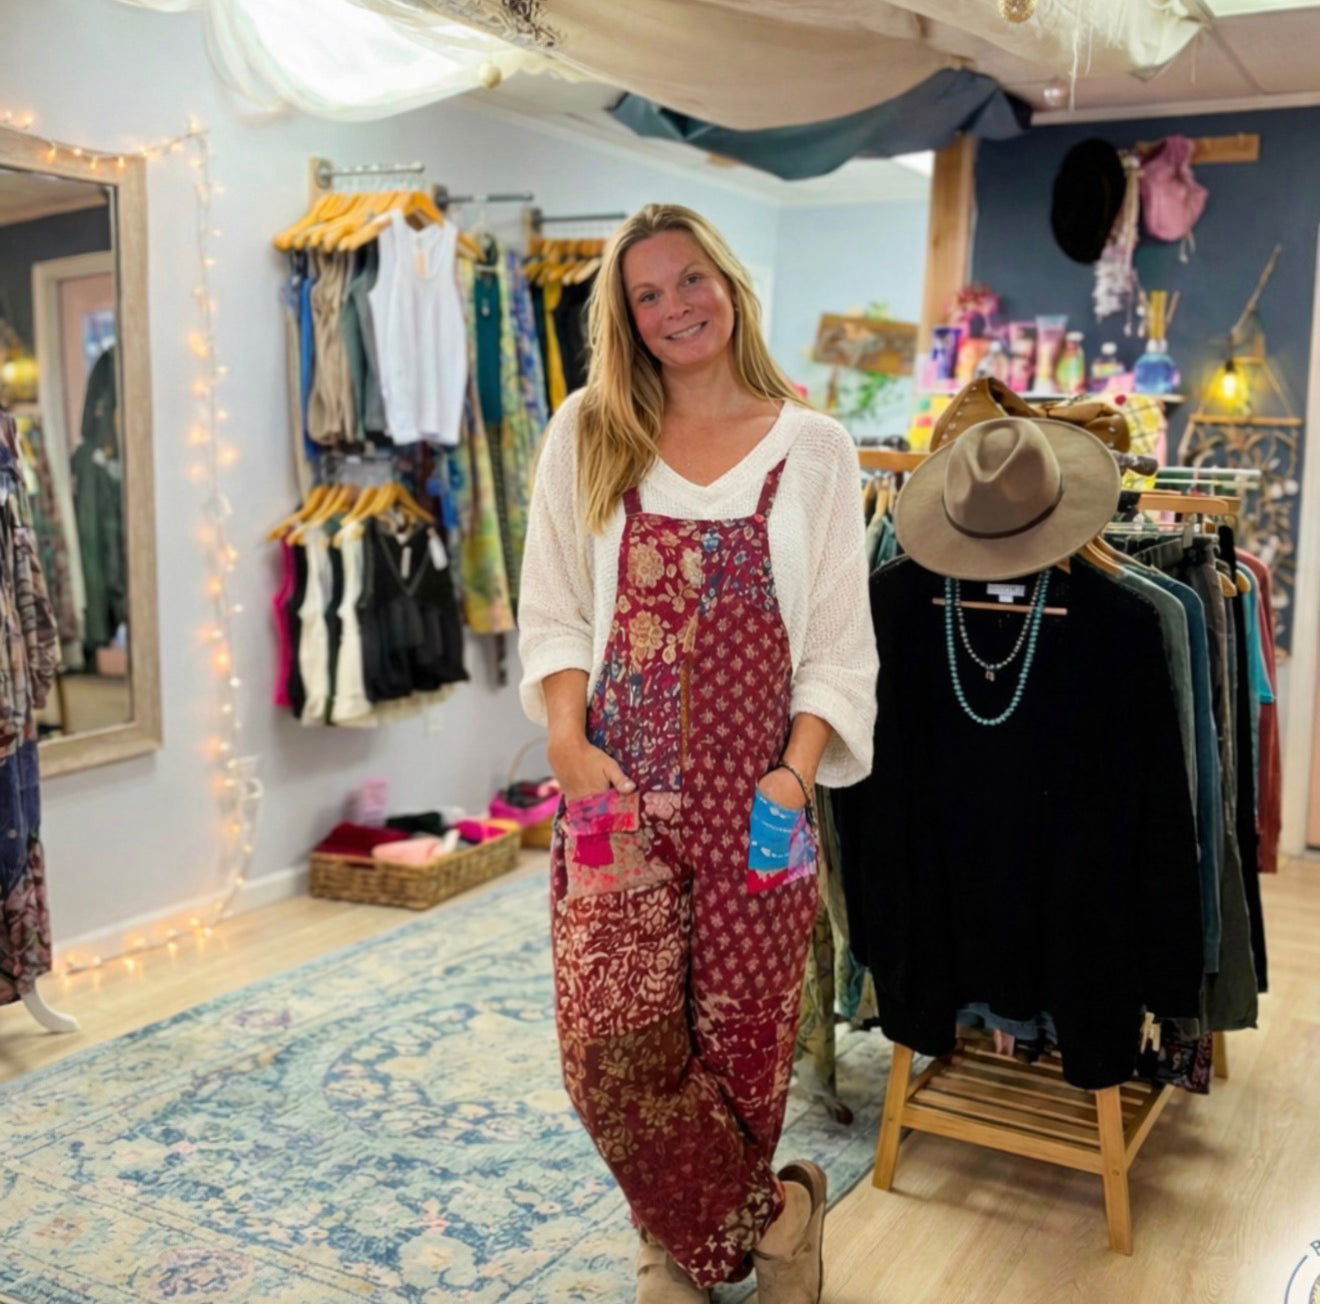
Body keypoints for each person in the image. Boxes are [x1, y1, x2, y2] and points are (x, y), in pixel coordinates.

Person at [518, 203, 877, 1303]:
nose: (676, 305)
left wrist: (794, 769)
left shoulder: (814, 448)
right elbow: (555, 610)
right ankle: (779, 1216)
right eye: (648, 293)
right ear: (625, 319)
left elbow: (833, 639)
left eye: (691, 279)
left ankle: (673, 1251)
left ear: (729, 283)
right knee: (607, 1054)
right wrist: (569, 744)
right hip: (606, 789)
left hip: (763, 801)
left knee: (743, 1041)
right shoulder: (589, 430)